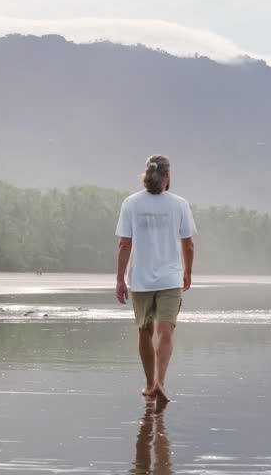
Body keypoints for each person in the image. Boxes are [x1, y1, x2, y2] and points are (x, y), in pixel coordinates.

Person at [115, 154, 196, 402]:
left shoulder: (131, 203)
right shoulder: (179, 204)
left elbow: (124, 244)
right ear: (168, 175)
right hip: (170, 278)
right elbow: (189, 244)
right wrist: (188, 272)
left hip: (140, 278)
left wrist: (120, 278)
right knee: (166, 331)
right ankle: (161, 382)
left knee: (145, 331)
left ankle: (150, 385)